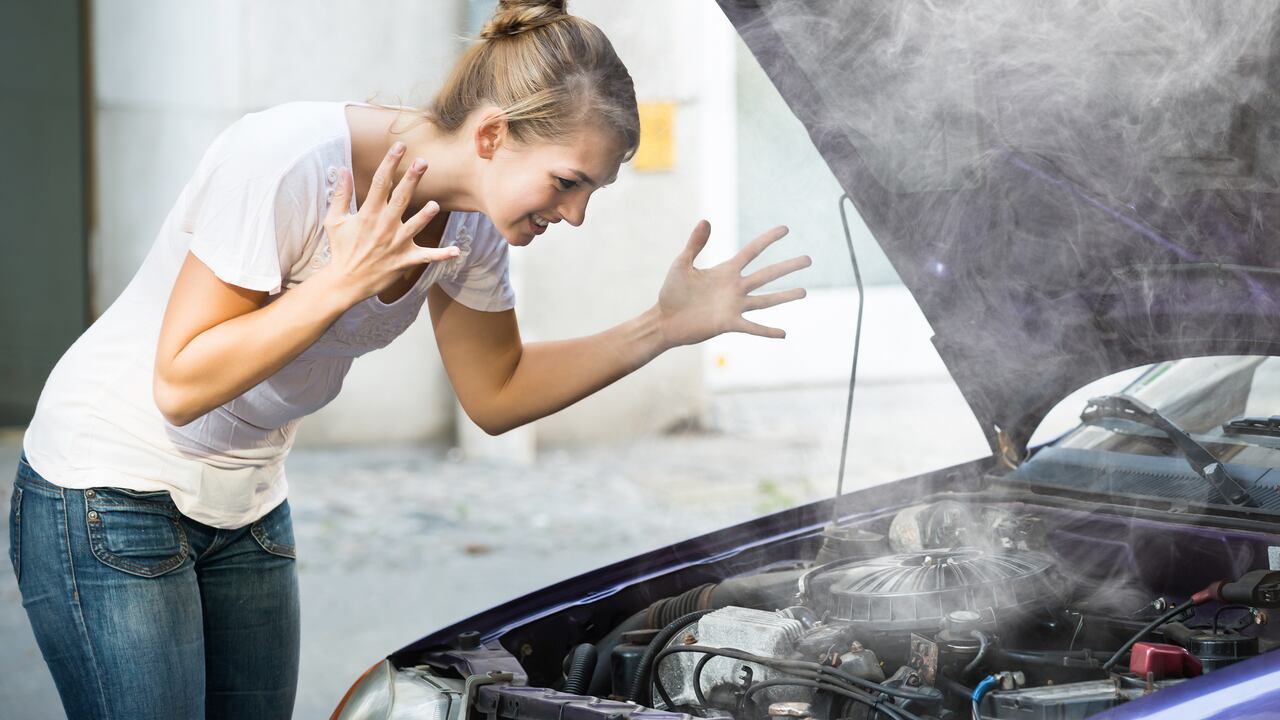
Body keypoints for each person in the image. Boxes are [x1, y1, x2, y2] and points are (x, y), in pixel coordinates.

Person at [6, 1, 810, 717]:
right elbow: (181, 383)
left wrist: (662, 327)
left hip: (245, 499)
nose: (575, 214)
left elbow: (497, 392)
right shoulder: (289, 162)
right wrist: (339, 283)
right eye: (568, 182)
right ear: (491, 135)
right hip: (107, 487)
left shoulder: (476, 225)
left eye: (591, 192)